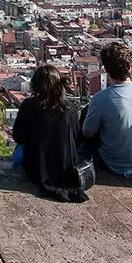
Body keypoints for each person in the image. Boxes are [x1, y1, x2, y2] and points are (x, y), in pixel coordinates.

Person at [80, 43, 132, 177]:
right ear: (129, 67)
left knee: (87, 113)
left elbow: (88, 133)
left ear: (106, 69)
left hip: (117, 165)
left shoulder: (100, 98)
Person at [12, 64, 87, 203]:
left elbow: (17, 136)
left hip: (37, 170)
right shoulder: (69, 107)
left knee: (18, 149)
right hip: (66, 169)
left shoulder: (29, 105)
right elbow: (76, 138)